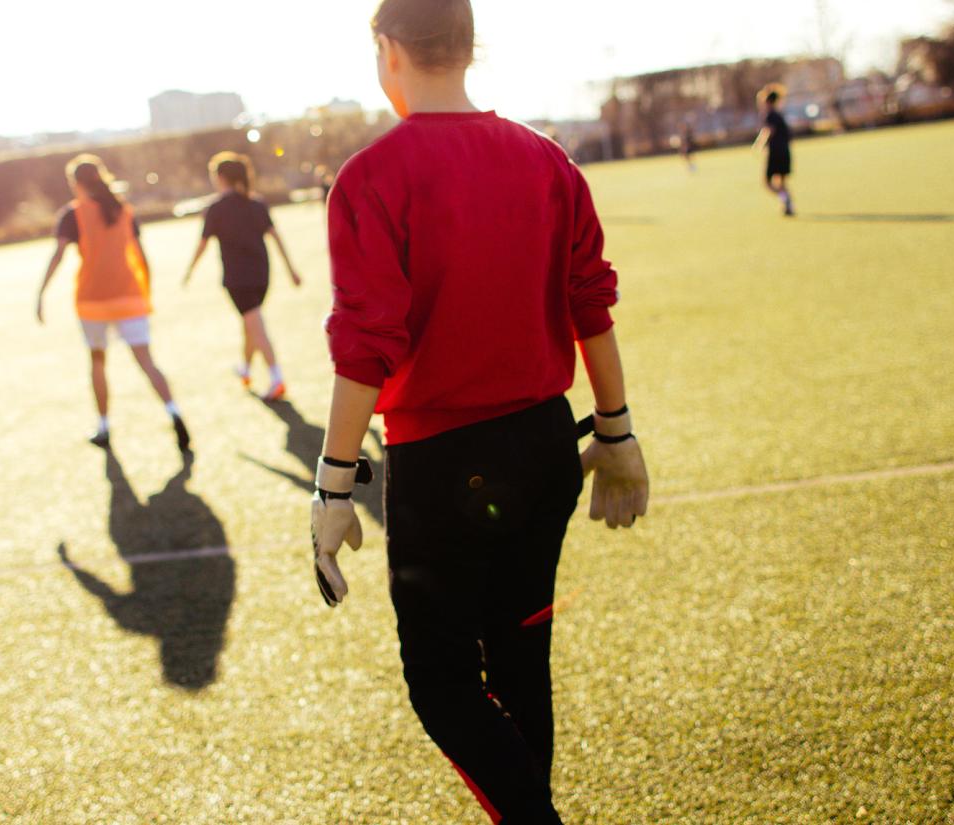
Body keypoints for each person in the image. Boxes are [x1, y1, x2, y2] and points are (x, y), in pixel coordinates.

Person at [310, 2, 649, 823]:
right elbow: (590, 303)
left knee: (442, 683)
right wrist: (616, 429)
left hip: (440, 464)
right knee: (520, 662)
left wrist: (332, 485)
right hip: (543, 447)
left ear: (387, 51)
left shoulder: (371, 178)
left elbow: (367, 343)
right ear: (467, 48)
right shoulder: (546, 160)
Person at [35, 154, 189, 451]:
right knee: (147, 362)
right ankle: (174, 412)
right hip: (130, 298)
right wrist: (144, 293)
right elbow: (142, 259)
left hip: (93, 301)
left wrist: (41, 293)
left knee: (97, 362)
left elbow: (58, 256)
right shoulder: (123, 210)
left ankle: (103, 426)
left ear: (76, 184)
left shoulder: (73, 214)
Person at [182, 151, 303, 401]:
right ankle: (246, 369)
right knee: (251, 324)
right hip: (261, 275)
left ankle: (276, 376)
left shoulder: (216, 208)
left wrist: (190, 271)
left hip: (239, 280)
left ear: (221, 177)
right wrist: (291, 269)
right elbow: (276, 237)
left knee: (255, 326)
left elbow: (202, 244)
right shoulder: (255, 203)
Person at [753, 83, 794, 217]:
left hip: (775, 152)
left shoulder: (769, 115)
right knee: (781, 181)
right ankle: (787, 204)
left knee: (768, 182)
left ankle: (785, 199)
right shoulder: (778, 114)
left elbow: (768, 131)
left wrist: (758, 145)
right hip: (785, 150)